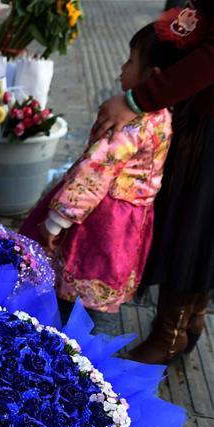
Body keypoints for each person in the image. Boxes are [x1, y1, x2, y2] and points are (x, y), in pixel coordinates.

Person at [20, 24, 182, 316]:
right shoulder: (164, 117)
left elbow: (92, 175)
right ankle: (89, 340)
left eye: (131, 61)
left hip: (100, 223)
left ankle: (60, 337)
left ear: (153, 77)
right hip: (130, 224)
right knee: (97, 292)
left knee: (70, 289)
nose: (122, 67)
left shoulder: (127, 125)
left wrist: (54, 223)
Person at [92, 2, 213, 364]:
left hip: (207, 116)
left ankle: (170, 334)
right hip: (196, 104)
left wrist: (138, 97)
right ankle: (186, 321)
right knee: (198, 220)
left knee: (193, 221)